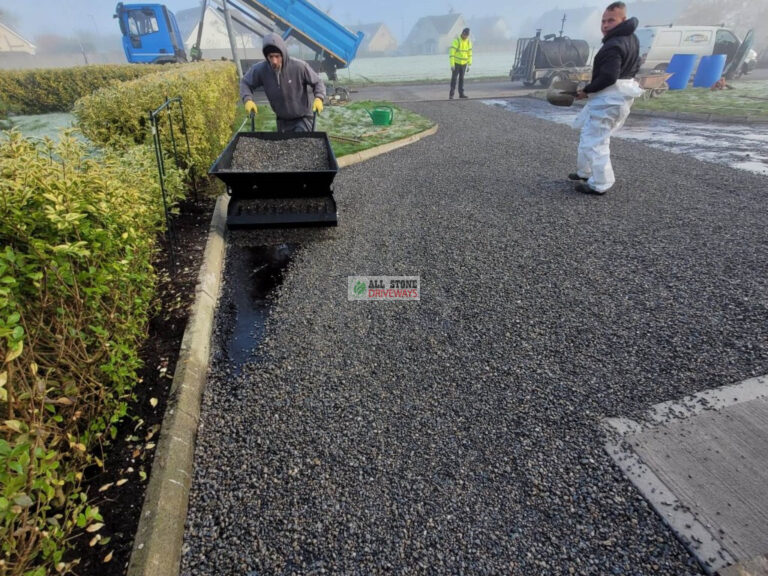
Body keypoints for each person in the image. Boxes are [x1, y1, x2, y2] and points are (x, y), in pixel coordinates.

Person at [570, 2, 643, 195]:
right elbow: (636, 65)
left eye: (611, 20)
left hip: (610, 98)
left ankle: (600, 183)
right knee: (589, 134)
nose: (605, 24)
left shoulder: (614, 44)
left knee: (596, 141)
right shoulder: (631, 39)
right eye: (603, 21)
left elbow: (609, 76)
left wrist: (587, 90)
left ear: (623, 20)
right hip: (618, 94)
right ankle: (584, 172)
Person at [240, 33, 326, 133]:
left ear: (283, 54)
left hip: (303, 118)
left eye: (277, 56)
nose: (274, 61)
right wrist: (247, 100)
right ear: (266, 56)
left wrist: (319, 98)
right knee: (285, 147)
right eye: (270, 56)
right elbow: (245, 82)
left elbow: (318, 82)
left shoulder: (299, 67)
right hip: (282, 121)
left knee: (300, 145)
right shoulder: (261, 70)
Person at [449, 28, 473, 100]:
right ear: (462, 33)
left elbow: (470, 54)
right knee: (454, 79)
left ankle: (461, 94)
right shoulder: (456, 41)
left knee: (461, 79)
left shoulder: (468, 42)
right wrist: (452, 64)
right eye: (465, 35)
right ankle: (451, 94)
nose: (465, 36)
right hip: (456, 63)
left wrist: (469, 64)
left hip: (464, 64)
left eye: (467, 35)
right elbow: (452, 54)